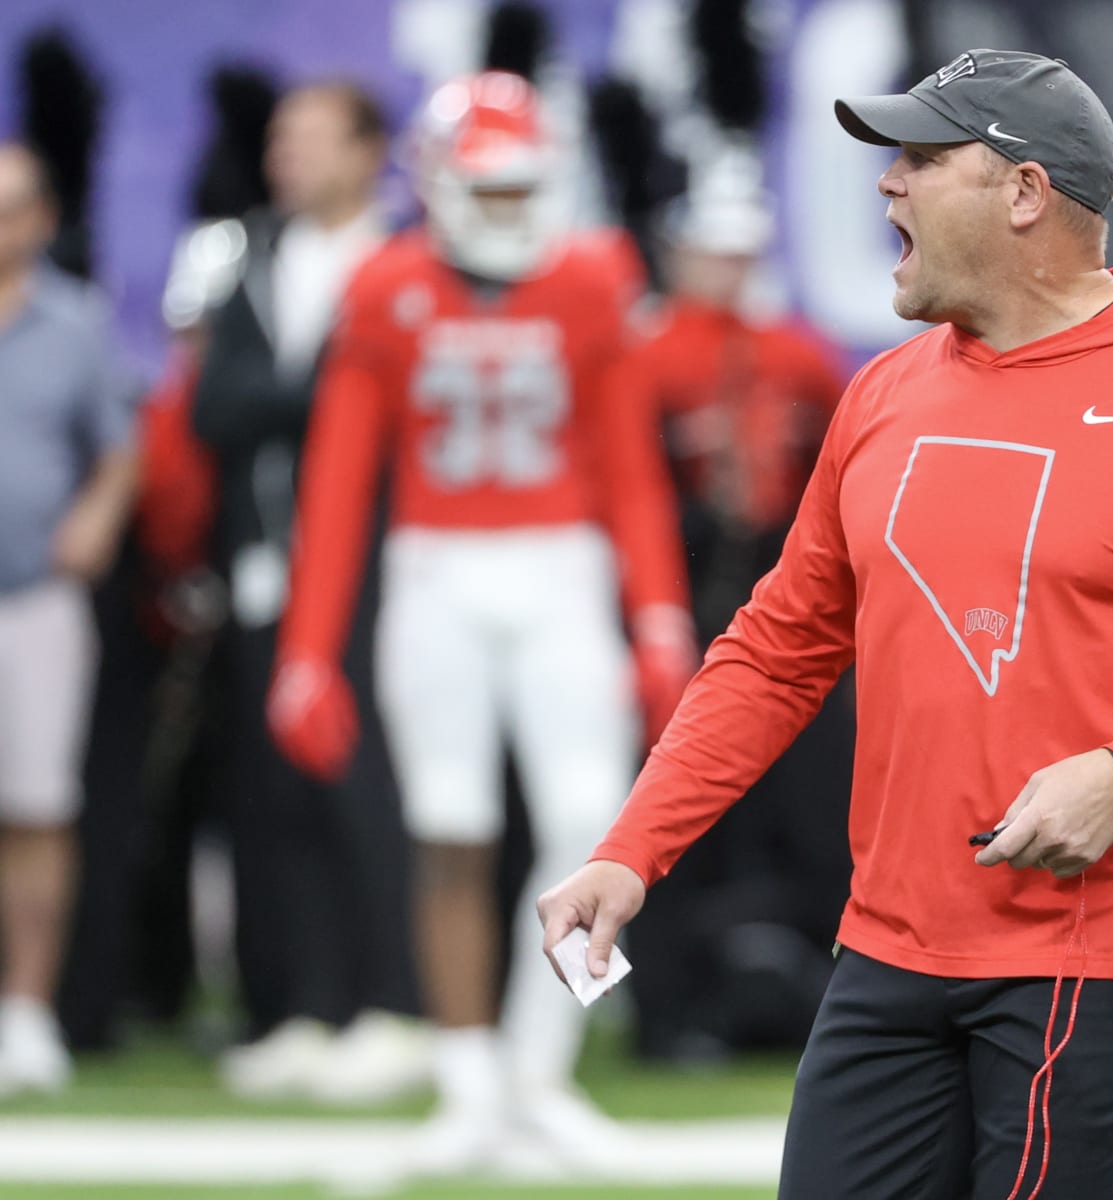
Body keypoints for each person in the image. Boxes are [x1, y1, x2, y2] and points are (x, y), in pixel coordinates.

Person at [538, 50, 1113, 1199]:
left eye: (924, 162)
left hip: (1097, 957)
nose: (887, 187)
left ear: (1026, 193)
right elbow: (778, 648)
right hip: (888, 945)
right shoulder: (884, 394)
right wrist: (632, 847)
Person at [268, 71, 696, 1173]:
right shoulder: (388, 285)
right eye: (490, 194)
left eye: (523, 193)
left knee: (591, 825)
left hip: (561, 567)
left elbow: (632, 471)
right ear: (442, 187)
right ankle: (467, 1085)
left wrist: (657, 614)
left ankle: (536, 1073)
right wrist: (308, 650)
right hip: (437, 572)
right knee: (450, 828)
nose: (512, 215)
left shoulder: (592, 278)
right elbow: (335, 481)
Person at [188, 80, 429, 1105]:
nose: (289, 154)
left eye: (314, 135)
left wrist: (298, 399)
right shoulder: (238, 252)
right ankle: (294, 1004)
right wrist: (320, 392)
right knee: (267, 786)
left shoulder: (404, 261)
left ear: (371, 150)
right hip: (260, 558)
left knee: (364, 779)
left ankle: (391, 1003)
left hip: (378, 559)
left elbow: (392, 407)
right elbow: (212, 402)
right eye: (282, 136)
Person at [620, 180, 856, 1060]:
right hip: (683, 604)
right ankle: (669, 1011)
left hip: (783, 606)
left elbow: (835, 481)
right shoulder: (645, 353)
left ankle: (827, 1004)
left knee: (819, 812)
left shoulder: (797, 354)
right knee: (677, 802)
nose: (727, 267)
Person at [0, 141, 140, 1095]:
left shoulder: (76, 324)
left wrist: (95, 514)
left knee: (39, 810)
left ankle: (28, 1013)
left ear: (43, 219)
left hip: (32, 598)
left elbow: (121, 449)